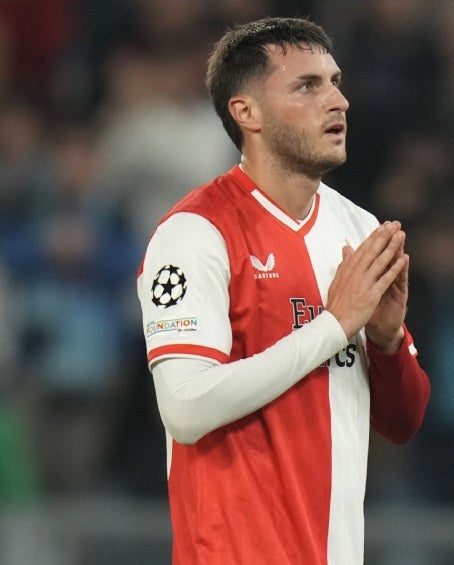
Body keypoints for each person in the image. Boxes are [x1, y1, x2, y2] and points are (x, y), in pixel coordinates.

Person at [135, 17, 431, 564]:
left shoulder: (358, 229)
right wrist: (334, 326)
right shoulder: (195, 232)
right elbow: (185, 407)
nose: (338, 101)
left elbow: (402, 422)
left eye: (335, 81)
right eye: (307, 86)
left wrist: (387, 342)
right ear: (246, 112)